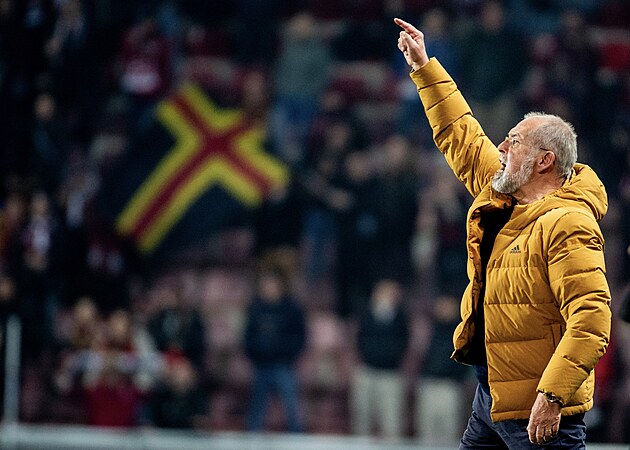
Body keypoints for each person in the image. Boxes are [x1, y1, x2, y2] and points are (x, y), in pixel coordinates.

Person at [395, 17, 612, 449]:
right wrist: (424, 67)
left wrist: (552, 396)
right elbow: (461, 133)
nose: (501, 147)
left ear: (544, 161)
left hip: (539, 413)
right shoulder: (503, 193)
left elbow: (591, 318)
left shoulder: (568, 223)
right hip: (492, 399)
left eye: (513, 142)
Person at [244, 264, 306, 432]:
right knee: (257, 407)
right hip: (261, 365)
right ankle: (251, 438)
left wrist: (288, 354)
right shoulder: (255, 309)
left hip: (283, 365)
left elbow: (300, 337)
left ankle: (297, 437)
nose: (268, 288)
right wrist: (255, 355)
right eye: (265, 284)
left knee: (291, 406)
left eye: (271, 284)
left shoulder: (291, 309)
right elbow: (248, 337)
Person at [350, 278, 409, 439]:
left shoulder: (401, 318)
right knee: (362, 418)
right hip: (367, 371)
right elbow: (360, 340)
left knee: (391, 422)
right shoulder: (366, 314)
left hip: (390, 374)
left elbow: (403, 344)